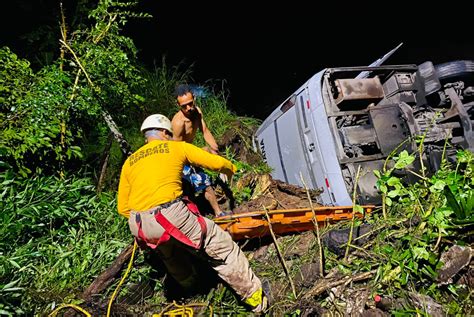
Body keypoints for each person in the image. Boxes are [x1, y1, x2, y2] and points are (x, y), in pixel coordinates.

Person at [117, 114, 268, 313]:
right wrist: (231, 168)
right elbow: (213, 163)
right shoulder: (175, 147)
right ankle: (256, 299)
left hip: (139, 224)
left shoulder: (130, 162)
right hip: (169, 214)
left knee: (170, 255)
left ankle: (192, 287)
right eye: (169, 134)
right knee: (223, 249)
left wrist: (147, 219)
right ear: (164, 133)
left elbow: (122, 208)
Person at [171, 84, 230, 217]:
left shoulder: (197, 112)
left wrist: (217, 154)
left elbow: (205, 131)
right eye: (184, 106)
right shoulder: (178, 123)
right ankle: (195, 218)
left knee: (206, 181)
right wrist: (199, 156)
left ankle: (218, 213)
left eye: (190, 103)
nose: (188, 108)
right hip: (180, 159)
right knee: (195, 186)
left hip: (189, 154)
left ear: (194, 98)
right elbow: (177, 150)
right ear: (178, 105)